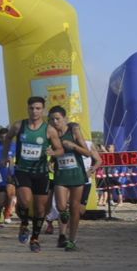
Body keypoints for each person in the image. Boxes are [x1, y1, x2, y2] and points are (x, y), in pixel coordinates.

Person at [48, 106, 101, 251]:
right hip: (61, 174)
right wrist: (51, 159)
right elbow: (55, 153)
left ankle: (71, 240)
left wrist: (73, 145)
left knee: (75, 208)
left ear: (65, 118)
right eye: (52, 119)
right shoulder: (50, 133)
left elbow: (87, 152)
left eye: (57, 118)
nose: (55, 121)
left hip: (77, 173)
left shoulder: (73, 131)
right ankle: (63, 218)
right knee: (60, 206)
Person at [11, 96, 54, 252]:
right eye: (32, 108)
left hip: (41, 173)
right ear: (27, 109)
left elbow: (60, 149)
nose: (34, 111)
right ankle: (24, 223)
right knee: (24, 201)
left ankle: (35, 238)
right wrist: (5, 156)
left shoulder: (49, 130)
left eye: (38, 108)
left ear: (43, 110)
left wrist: (54, 152)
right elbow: (8, 138)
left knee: (40, 209)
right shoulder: (18, 126)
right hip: (22, 170)